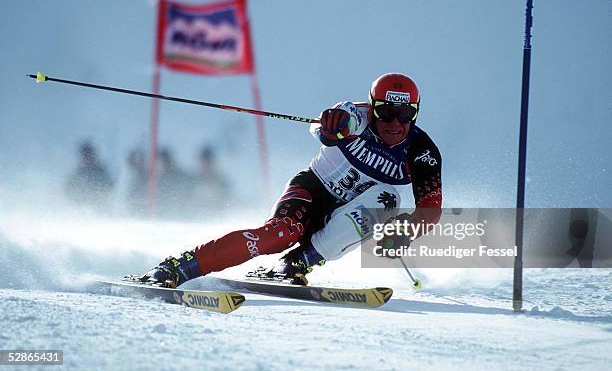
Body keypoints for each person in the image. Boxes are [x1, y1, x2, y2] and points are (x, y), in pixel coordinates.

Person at [140, 73, 443, 287]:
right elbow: (328, 125)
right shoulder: (357, 117)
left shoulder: (421, 152)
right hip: (311, 191)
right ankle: (180, 267)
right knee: (278, 235)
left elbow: (430, 211)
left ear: (415, 114)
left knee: (389, 197)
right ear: (372, 108)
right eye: (386, 111)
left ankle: (300, 260)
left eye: (404, 114)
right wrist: (331, 126)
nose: (394, 122)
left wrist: (403, 235)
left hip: (347, 218)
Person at [65, 141, 114, 212]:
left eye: (89, 155)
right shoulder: (77, 173)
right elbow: (69, 189)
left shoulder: (101, 171)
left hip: (101, 208)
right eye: (85, 156)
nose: (88, 158)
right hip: (81, 209)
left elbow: (109, 186)